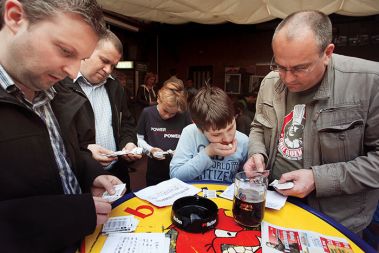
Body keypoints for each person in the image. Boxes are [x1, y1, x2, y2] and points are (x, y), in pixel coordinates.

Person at [0, 0, 123, 252]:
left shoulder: (57, 90)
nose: (72, 71)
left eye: (82, 58)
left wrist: (91, 173)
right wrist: (69, 214)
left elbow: (64, 152)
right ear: (14, 17)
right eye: (66, 51)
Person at [244, 10, 379, 234]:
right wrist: (257, 153)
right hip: (275, 207)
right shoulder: (270, 82)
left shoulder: (370, 83)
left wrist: (318, 179)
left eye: (299, 68)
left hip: (335, 220)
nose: (287, 78)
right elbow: (258, 126)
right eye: (279, 65)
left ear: (327, 53)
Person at [59, 30, 141, 192]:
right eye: (104, 61)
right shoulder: (61, 86)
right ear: (86, 51)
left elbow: (126, 123)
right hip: (83, 176)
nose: (108, 70)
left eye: (113, 65)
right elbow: (60, 138)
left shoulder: (115, 86)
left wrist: (128, 143)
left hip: (117, 172)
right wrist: (87, 152)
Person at [170, 86, 248, 183]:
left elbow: (247, 179)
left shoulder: (244, 141)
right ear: (200, 129)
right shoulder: (190, 133)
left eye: (231, 128)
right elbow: (175, 175)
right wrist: (207, 152)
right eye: (216, 135)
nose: (227, 139)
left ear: (234, 116)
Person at [137, 81, 191, 186]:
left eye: (173, 113)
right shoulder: (147, 113)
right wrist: (150, 150)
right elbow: (139, 139)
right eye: (165, 111)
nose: (167, 116)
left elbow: (191, 139)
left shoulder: (184, 114)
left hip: (180, 169)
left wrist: (181, 151)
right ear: (158, 99)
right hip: (155, 170)